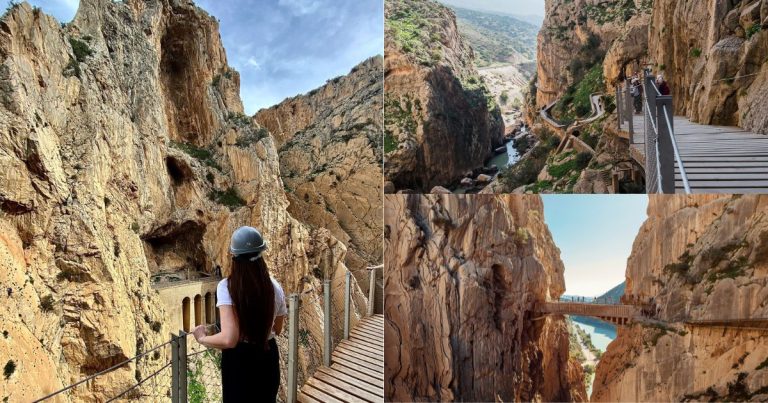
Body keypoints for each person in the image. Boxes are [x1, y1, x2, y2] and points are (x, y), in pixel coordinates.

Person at [192, 226, 288, 402]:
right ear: (261, 255)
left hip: (239, 360)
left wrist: (202, 338)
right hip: (267, 355)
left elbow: (229, 339)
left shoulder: (227, 287)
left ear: (234, 257)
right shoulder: (275, 287)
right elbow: (278, 329)